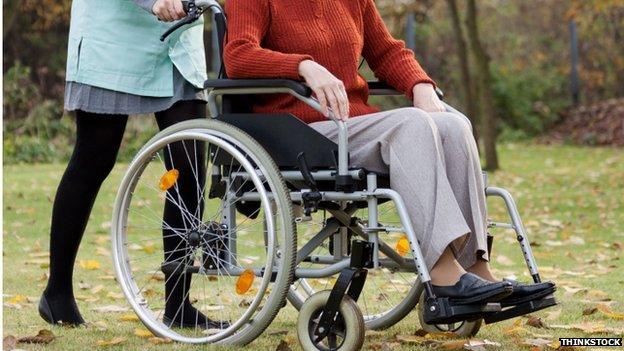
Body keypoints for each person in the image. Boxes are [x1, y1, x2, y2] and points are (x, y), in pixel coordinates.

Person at [224, 0, 553, 303]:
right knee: (410, 125)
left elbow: (387, 52)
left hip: (351, 127)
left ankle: (476, 271)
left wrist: (420, 86)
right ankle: (443, 276)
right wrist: (304, 66)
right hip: (299, 130)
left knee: (455, 125)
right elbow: (238, 56)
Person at [39, 0, 225, 328]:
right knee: (94, 160)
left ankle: (178, 305)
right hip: (113, 38)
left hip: (177, 41)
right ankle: (57, 294)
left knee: (190, 167)